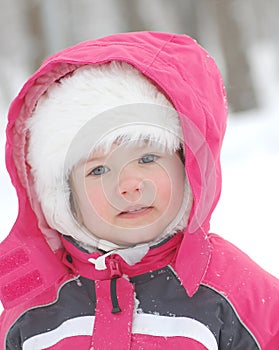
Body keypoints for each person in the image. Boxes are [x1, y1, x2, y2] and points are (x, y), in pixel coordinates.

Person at [0, 31, 278, 350]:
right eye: (98, 169)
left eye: (147, 158)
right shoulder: (34, 310)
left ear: (186, 165)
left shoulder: (230, 287)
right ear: (63, 195)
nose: (129, 185)